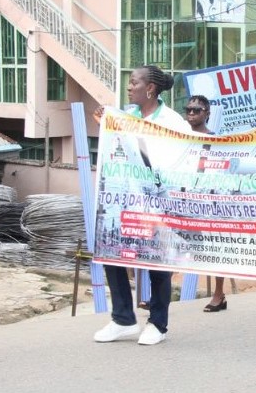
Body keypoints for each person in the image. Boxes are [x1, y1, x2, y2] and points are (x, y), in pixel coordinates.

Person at [92, 66, 190, 345]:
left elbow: (182, 158)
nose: (129, 87)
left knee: (157, 262)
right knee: (113, 253)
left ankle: (157, 324)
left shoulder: (172, 121)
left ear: (150, 89)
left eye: (134, 82)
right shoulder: (126, 117)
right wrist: (104, 120)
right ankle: (122, 319)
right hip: (124, 201)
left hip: (158, 202)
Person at [184, 94, 231, 313]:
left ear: (207, 114)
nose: (191, 113)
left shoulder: (215, 140)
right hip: (183, 200)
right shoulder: (180, 137)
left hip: (208, 202)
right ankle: (158, 295)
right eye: (189, 110)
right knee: (170, 243)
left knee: (214, 249)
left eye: (197, 110)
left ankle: (219, 294)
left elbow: (221, 170)